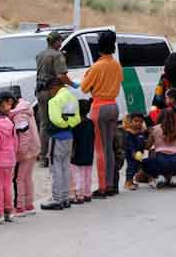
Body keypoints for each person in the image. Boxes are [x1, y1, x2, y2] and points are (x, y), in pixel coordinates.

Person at [81, 30, 123, 198]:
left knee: (100, 149)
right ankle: (111, 184)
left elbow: (84, 88)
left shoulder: (96, 67)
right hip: (114, 105)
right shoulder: (116, 65)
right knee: (109, 148)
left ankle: (102, 186)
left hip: (99, 107)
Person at [36, 31, 76, 168]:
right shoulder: (57, 55)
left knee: (44, 123)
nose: (61, 43)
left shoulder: (40, 54)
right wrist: (73, 84)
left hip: (40, 92)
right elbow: (61, 76)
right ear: (57, 42)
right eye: (60, 41)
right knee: (60, 121)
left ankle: (43, 157)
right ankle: (60, 154)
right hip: (54, 92)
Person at [41, 78, 81, 211]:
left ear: (54, 88)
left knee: (55, 168)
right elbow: (77, 119)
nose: (49, 94)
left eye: (49, 91)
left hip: (57, 137)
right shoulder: (72, 98)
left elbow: (56, 120)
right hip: (69, 136)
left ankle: (56, 198)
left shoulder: (54, 101)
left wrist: (63, 124)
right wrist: (68, 124)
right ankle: (65, 197)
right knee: (65, 167)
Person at [8, 92, 40, 217]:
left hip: (25, 151)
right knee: (27, 177)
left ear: (10, 101)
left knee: (18, 179)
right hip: (34, 148)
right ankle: (29, 204)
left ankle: (20, 206)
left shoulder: (18, 116)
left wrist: (21, 153)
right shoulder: (26, 109)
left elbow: (24, 136)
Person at [142, 108, 176, 188]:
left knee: (144, 163)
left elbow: (147, 146)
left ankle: (159, 176)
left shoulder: (155, 129)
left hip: (161, 161)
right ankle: (174, 176)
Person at [71, 100, 95, 204]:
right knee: (87, 174)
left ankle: (79, 195)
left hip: (78, 152)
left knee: (78, 175)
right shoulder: (91, 123)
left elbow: (73, 139)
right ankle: (87, 193)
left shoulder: (76, 124)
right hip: (89, 152)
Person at [122, 112, 147, 191]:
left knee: (137, 167)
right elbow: (129, 144)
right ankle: (128, 182)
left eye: (140, 121)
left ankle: (132, 182)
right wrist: (133, 153)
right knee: (131, 167)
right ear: (131, 121)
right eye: (136, 121)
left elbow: (144, 142)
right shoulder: (129, 133)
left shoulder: (142, 132)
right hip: (131, 154)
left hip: (139, 154)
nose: (138, 123)